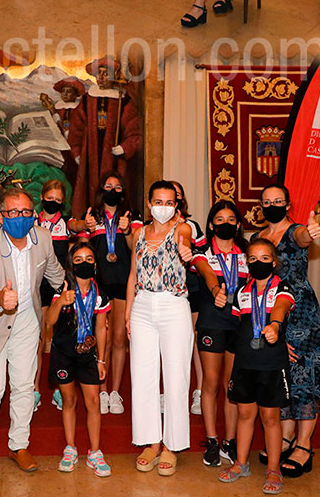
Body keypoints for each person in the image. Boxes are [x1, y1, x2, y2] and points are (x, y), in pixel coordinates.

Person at [0, 187, 65, 479]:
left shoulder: (43, 239)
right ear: (1, 215)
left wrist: (73, 294)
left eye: (24, 212)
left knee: (23, 386)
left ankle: (19, 445)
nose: (19, 217)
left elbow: (55, 273)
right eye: (12, 212)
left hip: (27, 321)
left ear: (33, 214)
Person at [256, 184, 320, 478]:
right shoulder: (258, 238)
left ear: (287, 204)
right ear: (260, 206)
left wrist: (310, 232)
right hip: (269, 310)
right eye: (266, 201)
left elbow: (302, 238)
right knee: (280, 374)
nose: (272, 205)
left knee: (304, 374)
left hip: (300, 314)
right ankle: (286, 438)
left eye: (278, 201)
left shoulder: (296, 231)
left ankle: (303, 444)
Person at [126, 180, 193, 476]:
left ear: (175, 206)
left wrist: (186, 250)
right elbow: (132, 275)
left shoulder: (181, 229)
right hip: (142, 306)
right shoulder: (139, 234)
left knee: (176, 376)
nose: (163, 207)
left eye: (169, 202)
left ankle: (172, 446)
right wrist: (127, 314)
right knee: (142, 375)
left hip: (173, 305)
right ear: (149, 204)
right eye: (158, 201)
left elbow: (186, 242)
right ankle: (150, 442)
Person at [218, 238, 295, 494]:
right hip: (245, 363)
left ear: (274, 262)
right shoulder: (241, 292)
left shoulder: (282, 287)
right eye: (253, 259)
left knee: (270, 417)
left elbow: (282, 307)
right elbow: (240, 327)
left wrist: (274, 325)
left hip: (271, 364)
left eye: (265, 258)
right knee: (244, 414)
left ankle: (274, 468)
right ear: (246, 263)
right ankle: (241, 463)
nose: (259, 263)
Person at [179, 201, 249, 469]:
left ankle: (230, 441)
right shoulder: (201, 253)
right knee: (210, 382)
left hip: (239, 326)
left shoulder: (246, 254)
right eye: (219, 219)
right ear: (210, 224)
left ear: (238, 224)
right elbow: (206, 273)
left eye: (231, 219)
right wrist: (215, 288)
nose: (225, 223)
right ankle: (211, 440)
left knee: (230, 386)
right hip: (211, 323)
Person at [48, 241, 111, 477]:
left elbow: (102, 328)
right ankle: (70, 448)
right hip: (63, 354)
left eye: (88, 259)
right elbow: (49, 322)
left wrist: (101, 360)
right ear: (71, 265)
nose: (83, 263)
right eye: (78, 260)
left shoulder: (99, 293)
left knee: (93, 402)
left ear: (95, 264)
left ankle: (95, 452)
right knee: (69, 400)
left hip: (88, 355)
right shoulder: (62, 288)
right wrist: (61, 302)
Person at [85, 172, 142, 414]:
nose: (113, 190)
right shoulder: (93, 215)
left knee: (119, 339)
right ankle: (102, 388)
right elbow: (81, 243)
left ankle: (116, 392)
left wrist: (128, 230)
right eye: (108, 186)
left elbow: (135, 247)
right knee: (102, 341)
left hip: (123, 283)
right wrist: (83, 227)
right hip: (99, 284)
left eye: (118, 187)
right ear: (101, 189)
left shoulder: (132, 215)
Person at [68, 56, 143, 216]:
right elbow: (76, 128)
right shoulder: (87, 99)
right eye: (98, 73)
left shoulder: (123, 100)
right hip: (90, 155)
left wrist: (124, 147)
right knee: (89, 189)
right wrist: (76, 152)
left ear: (114, 75)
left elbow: (133, 129)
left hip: (114, 158)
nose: (101, 77)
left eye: (105, 73)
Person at [34, 179, 83, 411]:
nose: (53, 202)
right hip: (36, 285)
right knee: (38, 337)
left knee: (61, 337)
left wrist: (86, 223)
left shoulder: (65, 222)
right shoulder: (31, 220)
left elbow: (78, 225)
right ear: (42, 197)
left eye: (57, 200)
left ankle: (59, 389)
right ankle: (34, 390)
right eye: (49, 198)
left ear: (62, 203)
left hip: (59, 286)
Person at [171, 181, 205, 415]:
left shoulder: (190, 225)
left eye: (177, 195)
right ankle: (166, 392)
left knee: (194, 338)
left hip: (191, 287)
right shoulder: (150, 227)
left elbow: (199, 252)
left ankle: (199, 392)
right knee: (168, 343)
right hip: (163, 292)